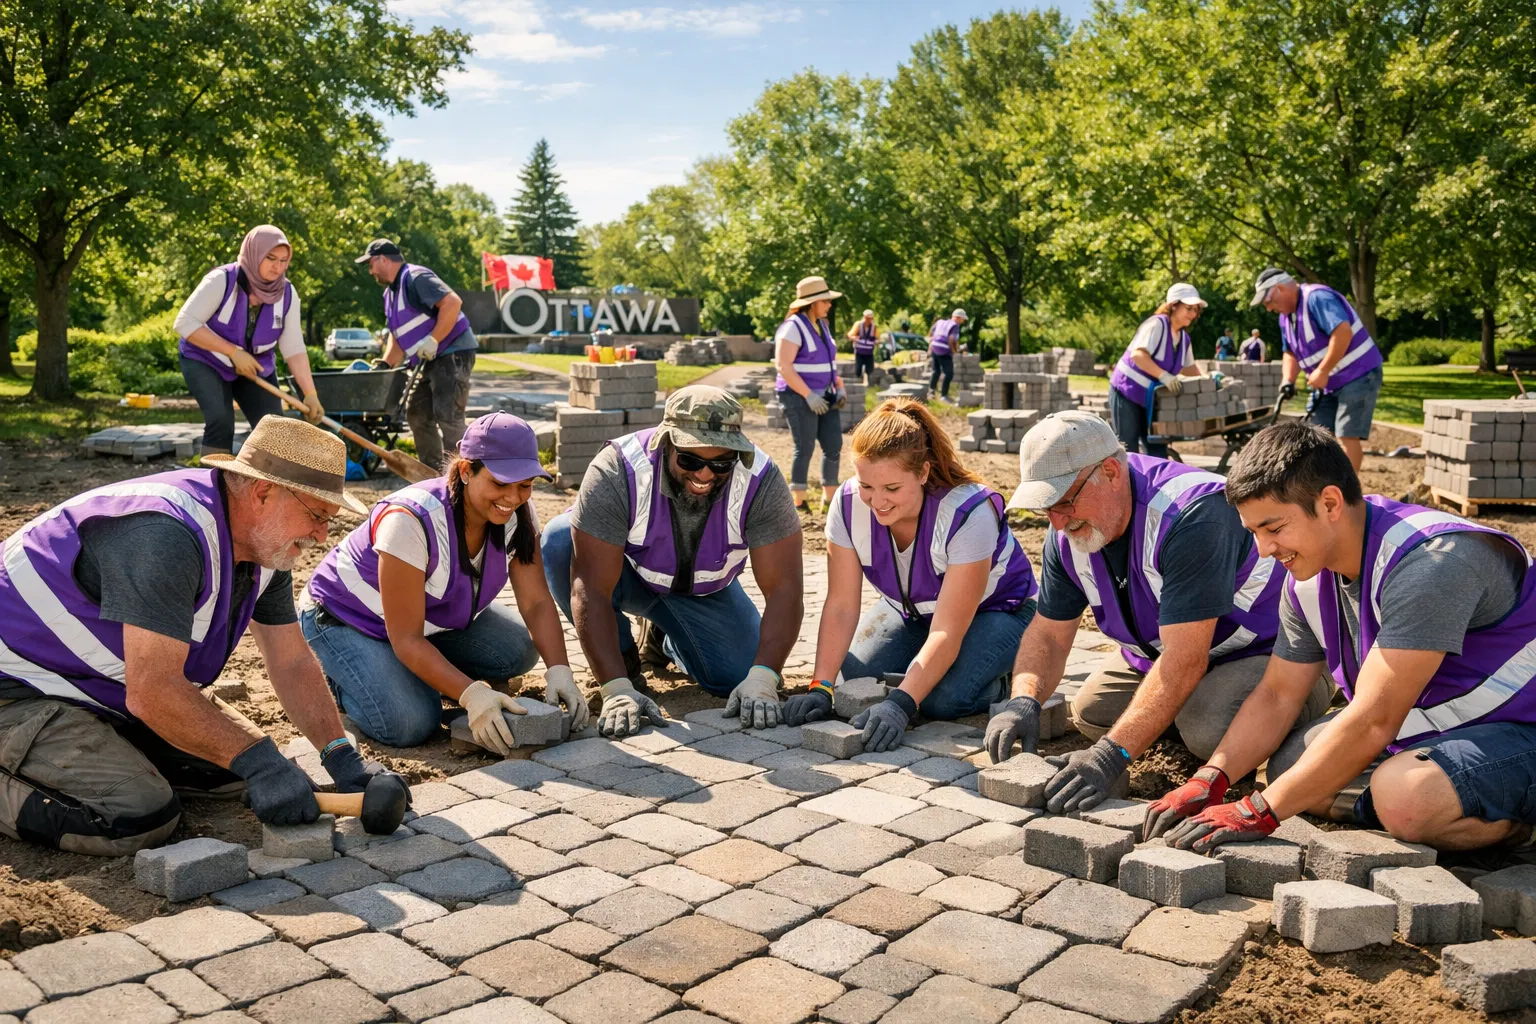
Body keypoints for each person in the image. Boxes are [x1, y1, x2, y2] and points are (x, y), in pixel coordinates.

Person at [0, 417, 406, 855]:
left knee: (234, 772)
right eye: (317, 515)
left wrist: (342, 758)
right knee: (139, 815)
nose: (322, 535)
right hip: (19, 691)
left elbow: (290, 660)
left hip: (96, 687)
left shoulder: (264, 547)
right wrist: (260, 765)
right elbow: (153, 691)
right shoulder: (166, 537)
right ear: (263, 492)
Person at [1145, 422, 1536, 855]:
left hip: (1524, 727)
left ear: (1329, 502)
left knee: (1406, 796)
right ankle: (1427, 799)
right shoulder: (1308, 580)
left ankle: (1518, 830)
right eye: (1253, 532)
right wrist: (1210, 779)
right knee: (1294, 766)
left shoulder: (1432, 564)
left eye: (1273, 528)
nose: (1263, 549)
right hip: (1449, 729)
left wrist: (1258, 811)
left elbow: (1373, 720)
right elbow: (1278, 695)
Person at [985, 411, 1332, 813]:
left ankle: (1305, 699)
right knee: (1093, 712)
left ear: (1111, 472)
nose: (1057, 522)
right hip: (1164, 653)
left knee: (1207, 729)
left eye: (1064, 501)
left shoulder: (1191, 515)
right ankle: (1174, 712)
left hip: (1269, 653)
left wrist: (1110, 756)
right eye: (1046, 507)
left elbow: (1185, 659)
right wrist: (1023, 701)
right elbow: (1048, 633)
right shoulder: (1067, 531)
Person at [302, 414, 584, 751]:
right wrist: (472, 693)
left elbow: (536, 602)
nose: (513, 497)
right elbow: (406, 639)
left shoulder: (516, 514)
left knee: (518, 649)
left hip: (424, 620)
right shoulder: (411, 521)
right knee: (411, 722)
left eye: (525, 485)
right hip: (345, 618)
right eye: (500, 483)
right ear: (466, 471)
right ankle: (346, 679)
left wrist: (560, 670)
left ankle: (413, 673)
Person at [541, 387, 804, 736]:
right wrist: (616, 688)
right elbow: (590, 586)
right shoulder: (618, 469)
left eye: (721, 463)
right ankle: (624, 662)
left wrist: (763, 677)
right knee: (559, 540)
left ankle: (666, 636)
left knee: (740, 673)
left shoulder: (761, 480)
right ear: (665, 443)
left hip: (705, 591)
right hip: (628, 575)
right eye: (691, 460)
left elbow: (785, 588)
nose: (705, 475)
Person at [783, 400, 1037, 750]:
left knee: (941, 699)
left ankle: (1004, 679)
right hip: (916, 612)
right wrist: (821, 687)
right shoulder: (847, 504)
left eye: (892, 489)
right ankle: (929, 669)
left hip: (1001, 612)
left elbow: (947, 630)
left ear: (923, 473)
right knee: (856, 676)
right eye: (866, 486)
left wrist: (901, 703)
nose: (877, 502)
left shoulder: (967, 513)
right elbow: (841, 605)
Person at [176, 225, 325, 457]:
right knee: (220, 420)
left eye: (283, 260)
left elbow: (294, 347)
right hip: (205, 360)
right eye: (271, 258)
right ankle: (213, 478)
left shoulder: (287, 294)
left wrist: (310, 393)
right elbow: (184, 323)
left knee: (274, 429)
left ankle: (263, 480)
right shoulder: (222, 280)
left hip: (255, 367)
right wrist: (233, 352)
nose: (278, 267)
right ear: (254, 254)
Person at [357, 238, 479, 470]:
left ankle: (464, 475)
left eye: (370, 264)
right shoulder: (390, 295)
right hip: (428, 360)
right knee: (417, 415)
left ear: (383, 259)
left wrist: (434, 339)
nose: (370, 271)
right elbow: (398, 337)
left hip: (451, 353)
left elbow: (452, 302)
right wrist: (386, 363)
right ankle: (434, 472)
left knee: (447, 415)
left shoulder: (416, 277)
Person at [1252, 267, 1383, 472]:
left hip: (1358, 374)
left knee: (1347, 434)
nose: (1268, 308)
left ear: (1280, 288)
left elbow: (1342, 332)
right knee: (1317, 433)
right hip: (1328, 383)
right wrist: (1288, 380)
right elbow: (1290, 352)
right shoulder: (1286, 318)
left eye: (1268, 301)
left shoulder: (1318, 298)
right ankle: (1322, 482)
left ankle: (1348, 489)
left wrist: (1322, 371)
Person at [1108, 283, 1208, 457]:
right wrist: (1164, 376)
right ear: (1173, 306)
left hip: (1151, 400)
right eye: (1188, 308)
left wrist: (1208, 380)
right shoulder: (1157, 324)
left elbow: (1188, 367)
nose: (1192, 314)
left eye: (1195, 310)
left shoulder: (1184, 338)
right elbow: (1138, 355)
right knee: (1128, 448)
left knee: (1157, 450)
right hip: (1127, 392)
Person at [774, 275, 846, 511]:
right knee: (804, 447)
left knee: (833, 444)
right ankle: (799, 501)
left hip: (825, 394)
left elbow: (828, 362)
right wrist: (808, 395)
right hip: (797, 396)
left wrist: (839, 386)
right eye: (825, 300)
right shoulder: (792, 328)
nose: (829, 304)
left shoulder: (822, 326)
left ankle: (830, 500)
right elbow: (784, 366)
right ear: (812, 303)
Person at [927, 308, 967, 401]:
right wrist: (954, 351)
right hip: (944, 350)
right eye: (962, 319)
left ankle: (931, 392)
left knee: (935, 371)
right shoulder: (955, 325)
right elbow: (952, 339)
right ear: (957, 317)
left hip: (934, 347)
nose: (962, 321)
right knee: (949, 373)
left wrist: (931, 344)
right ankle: (944, 395)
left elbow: (931, 333)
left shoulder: (940, 322)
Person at [846, 309, 878, 384]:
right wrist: (855, 338)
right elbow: (850, 335)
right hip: (859, 351)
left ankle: (869, 385)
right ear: (864, 317)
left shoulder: (874, 327)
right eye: (867, 318)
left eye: (870, 318)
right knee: (858, 369)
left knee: (870, 369)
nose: (868, 320)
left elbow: (877, 338)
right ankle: (858, 383)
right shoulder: (858, 325)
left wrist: (876, 341)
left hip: (869, 352)